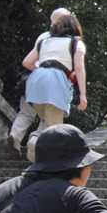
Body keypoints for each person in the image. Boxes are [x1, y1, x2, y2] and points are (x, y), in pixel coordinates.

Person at [21, 12, 87, 163]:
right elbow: (79, 68)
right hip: (56, 80)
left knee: (45, 120)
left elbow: (27, 62)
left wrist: (42, 73)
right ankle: (52, 166)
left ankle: (36, 137)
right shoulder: (76, 44)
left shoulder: (44, 41)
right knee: (56, 130)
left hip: (35, 81)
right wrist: (83, 95)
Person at [9, 7, 69, 155]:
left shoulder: (43, 36)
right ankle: (36, 142)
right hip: (51, 83)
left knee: (26, 112)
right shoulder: (67, 39)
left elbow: (28, 61)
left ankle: (15, 136)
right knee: (48, 116)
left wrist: (38, 72)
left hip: (32, 80)